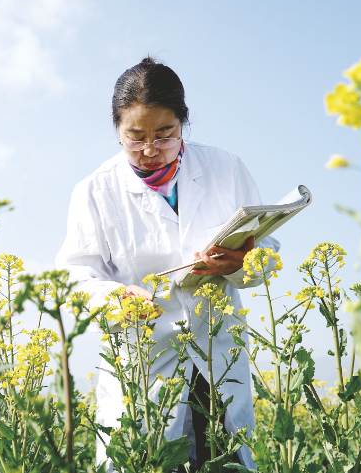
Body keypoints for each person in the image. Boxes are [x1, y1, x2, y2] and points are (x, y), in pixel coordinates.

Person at [55, 57, 280, 471]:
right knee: (151, 459)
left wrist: (238, 263)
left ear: (184, 122)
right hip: (145, 356)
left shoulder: (225, 168)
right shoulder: (94, 190)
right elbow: (75, 277)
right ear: (115, 126)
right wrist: (117, 297)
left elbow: (266, 258)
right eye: (134, 136)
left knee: (224, 458)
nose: (149, 150)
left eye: (164, 134)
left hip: (217, 350)